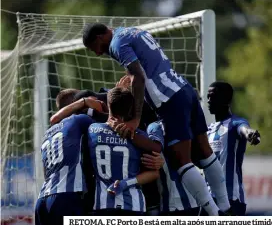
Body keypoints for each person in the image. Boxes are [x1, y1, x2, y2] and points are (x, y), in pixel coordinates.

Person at [82, 24, 230, 215]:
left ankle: (214, 215)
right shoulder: (131, 31)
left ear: (100, 36)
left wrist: (135, 118)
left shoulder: (116, 44)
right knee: (204, 151)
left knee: (181, 161)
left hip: (168, 99)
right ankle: (226, 207)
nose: (96, 53)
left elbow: (139, 77)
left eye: (93, 46)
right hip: (183, 88)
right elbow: (145, 66)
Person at [88, 87, 160, 216]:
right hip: (134, 206)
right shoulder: (139, 137)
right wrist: (126, 183)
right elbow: (154, 173)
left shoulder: (92, 129)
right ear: (130, 109)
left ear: (109, 105)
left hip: (103, 204)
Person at [35, 89, 95, 225]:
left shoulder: (47, 134)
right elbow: (109, 124)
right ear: (76, 104)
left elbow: (46, 173)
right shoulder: (78, 120)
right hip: (66, 196)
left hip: (42, 199)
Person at [206, 81, 261, 216]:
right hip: (209, 199)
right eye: (208, 96)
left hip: (232, 200)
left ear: (226, 100)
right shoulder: (209, 129)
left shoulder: (235, 123)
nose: (208, 100)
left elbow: (244, 129)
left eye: (212, 97)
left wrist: (251, 134)